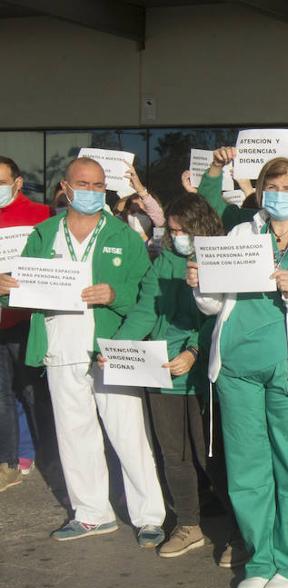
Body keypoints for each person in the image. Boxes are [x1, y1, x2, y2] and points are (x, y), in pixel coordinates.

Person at [187, 156, 288, 588]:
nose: (279, 195)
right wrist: (201, 284)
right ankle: (261, 557)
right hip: (237, 368)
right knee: (247, 469)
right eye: (272, 186)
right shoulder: (239, 233)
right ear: (259, 191)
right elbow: (215, 305)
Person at [0, 157, 166, 545]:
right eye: (84, 184)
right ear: (66, 187)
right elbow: (24, 291)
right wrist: (6, 289)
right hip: (60, 347)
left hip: (110, 349)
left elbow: (149, 294)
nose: (91, 192)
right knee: (74, 436)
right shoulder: (43, 234)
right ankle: (92, 513)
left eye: (98, 186)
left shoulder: (124, 236)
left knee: (128, 435)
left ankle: (148, 516)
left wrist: (114, 295)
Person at [102, 194, 240, 562]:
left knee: (211, 455)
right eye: (172, 229)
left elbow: (217, 317)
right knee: (173, 455)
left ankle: (242, 531)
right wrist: (117, 348)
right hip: (161, 371)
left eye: (182, 230)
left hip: (202, 373)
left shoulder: (221, 258)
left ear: (201, 228)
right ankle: (189, 524)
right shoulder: (162, 261)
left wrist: (193, 351)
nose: (175, 236)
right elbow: (145, 310)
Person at [0, 155, 52, 491]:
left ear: (18, 183)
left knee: (34, 392)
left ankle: (48, 458)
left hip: (28, 319)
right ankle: (8, 462)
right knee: (1, 396)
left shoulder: (42, 216)